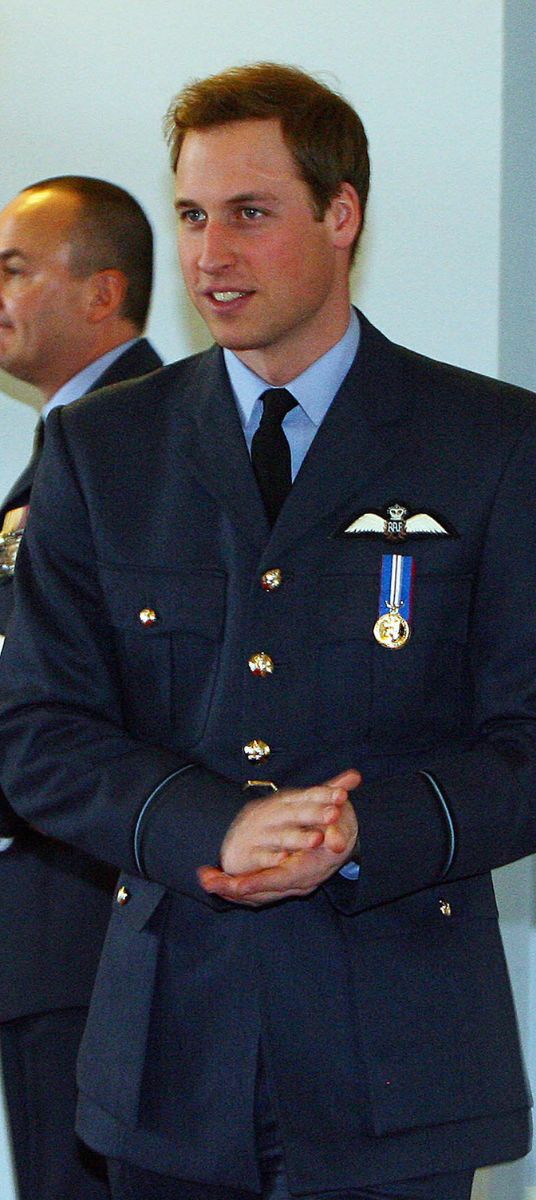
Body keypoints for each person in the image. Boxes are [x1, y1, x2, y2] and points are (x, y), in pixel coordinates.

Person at [0, 64, 536, 1200]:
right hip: (169, 1056)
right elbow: (39, 733)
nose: (209, 256)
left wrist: (358, 833)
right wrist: (212, 828)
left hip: (400, 1052)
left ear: (342, 216)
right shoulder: (107, 451)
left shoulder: (490, 442)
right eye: (191, 215)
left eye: (249, 213)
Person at [0, 174, 160, 1200]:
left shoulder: (131, 440)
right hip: (50, 905)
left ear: (101, 295)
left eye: (13, 269)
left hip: (83, 908)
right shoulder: (76, 434)